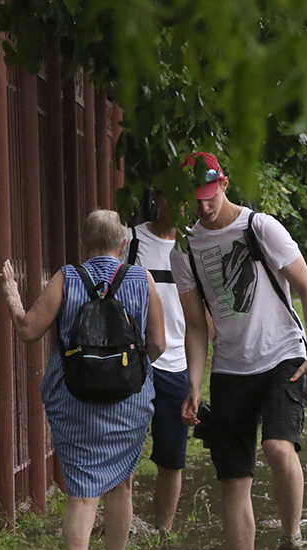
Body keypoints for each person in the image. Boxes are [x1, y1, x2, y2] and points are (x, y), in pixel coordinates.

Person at [170, 152, 307, 550]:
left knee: (278, 447)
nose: (204, 207)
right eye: (195, 199)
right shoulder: (185, 249)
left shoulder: (260, 227)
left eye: (209, 195)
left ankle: (292, 540)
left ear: (223, 183)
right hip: (230, 369)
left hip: (283, 357)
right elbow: (197, 326)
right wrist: (193, 384)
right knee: (233, 477)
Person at [1, 210, 166, 550]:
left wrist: (13, 296)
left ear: (84, 244)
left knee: (82, 489)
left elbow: (28, 329)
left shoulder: (67, 277)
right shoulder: (142, 279)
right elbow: (157, 344)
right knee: (121, 483)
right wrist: (127, 374)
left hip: (73, 399)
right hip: (129, 402)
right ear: (123, 244)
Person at [125, 190, 189, 532]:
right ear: (159, 198)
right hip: (135, 360)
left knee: (172, 457)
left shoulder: (194, 246)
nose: (182, 206)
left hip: (178, 363)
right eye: (176, 196)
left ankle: (162, 532)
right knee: (125, 452)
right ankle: (125, 524)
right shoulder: (132, 240)